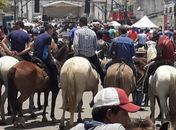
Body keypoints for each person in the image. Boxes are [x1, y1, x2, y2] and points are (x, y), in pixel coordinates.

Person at [70, 87, 140, 130]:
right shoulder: (117, 128)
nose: (129, 119)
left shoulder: (77, 127)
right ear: (109, 114)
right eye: (125, 114)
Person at [73, 16, 105, 85]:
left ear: (80, 23)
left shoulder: (77, 32)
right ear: (86, 23)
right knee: (100, 70)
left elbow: (75, 44)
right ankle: (103, 82)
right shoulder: (93, 32)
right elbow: (95, 46)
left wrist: (76, 53)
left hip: (80, 55)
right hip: (91, 56)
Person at [32, 24, 59, 92]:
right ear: (49, 29)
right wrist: (51, 57)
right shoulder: (48, 37)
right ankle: (54, 85)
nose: (53, 32)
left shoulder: (38, 36)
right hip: (42, 57)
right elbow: (49, 50)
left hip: (34, 57)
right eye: (52, 30)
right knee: (54, 67)